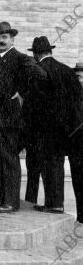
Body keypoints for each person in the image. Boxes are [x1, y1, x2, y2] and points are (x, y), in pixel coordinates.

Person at [0, 22, 46, 213]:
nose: (0, 41)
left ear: (12, 39)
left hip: (11, 120)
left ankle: (11, 202)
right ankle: (2, 196)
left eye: (4, 37)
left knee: (9, 159)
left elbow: (40, 75)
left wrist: (22, 93)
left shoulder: (20, 59)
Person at [28, 37, 80, 214]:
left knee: (50, 166)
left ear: (35, 54)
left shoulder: (38, 70)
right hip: (69, 129)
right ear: (50, 51)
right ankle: (61, 206)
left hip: (46, 129)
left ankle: (54, 203)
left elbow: (35, 103)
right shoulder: (66, 70)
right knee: (62, 167)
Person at [70, 62, 83, 223]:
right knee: (78, 180)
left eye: (80, 77)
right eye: (76, 77)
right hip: (75, 145)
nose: (77, 80)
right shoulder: (71, 96)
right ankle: (81, 215)